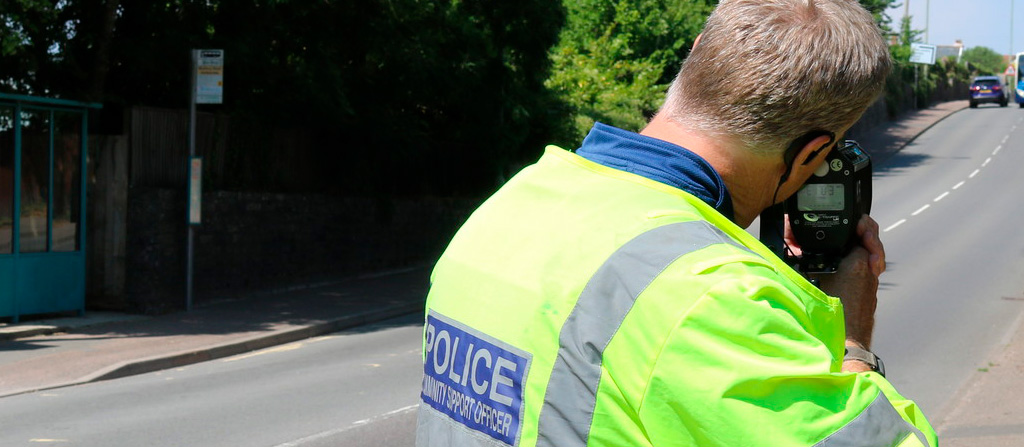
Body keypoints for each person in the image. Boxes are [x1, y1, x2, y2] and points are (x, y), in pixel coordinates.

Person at [416, 0, 937, 445]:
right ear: (812, 154)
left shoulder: (513, 202)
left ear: (693, 55)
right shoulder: (711, 294)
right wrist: (851, 345)